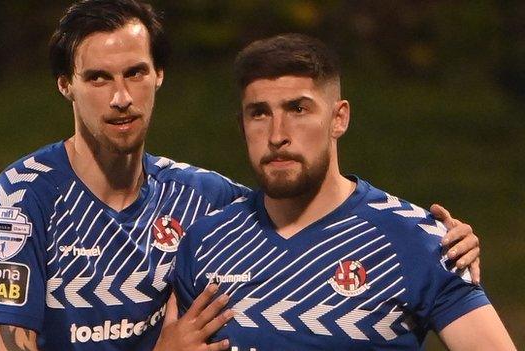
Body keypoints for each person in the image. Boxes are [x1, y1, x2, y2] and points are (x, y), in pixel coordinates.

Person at [0, 1, 483, 350]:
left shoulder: (203, 197)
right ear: (66, 85)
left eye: (135, 73)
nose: (121, 97)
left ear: (159, 76)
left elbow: (308, 207)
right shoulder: (21, 200)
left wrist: (438, 242)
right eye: (98, 78)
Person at [170, 33, 516, 350]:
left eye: (298, 109)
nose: (277, 135)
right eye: (259, 113)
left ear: (339, 119)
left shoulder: (420, 241)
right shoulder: (206, 243)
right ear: (241, 125)